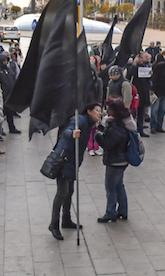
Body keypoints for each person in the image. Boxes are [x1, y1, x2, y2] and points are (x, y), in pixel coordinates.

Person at [49, 103, 102, 240]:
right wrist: (72, 134)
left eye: (100, 111)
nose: (99, 114)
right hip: (64, 159)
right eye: (97, 111)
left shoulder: (89, 123)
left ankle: (66, 219)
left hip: (72, 161)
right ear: (89, 111)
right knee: (62, 192)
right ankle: (54, 224)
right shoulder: (80, 120)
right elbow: (66, 132)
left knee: (70, 191)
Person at [96, 100, 135, 223]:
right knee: (119, 186)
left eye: (109, 110)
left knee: (110, 188)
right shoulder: (120, 125)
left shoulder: (116, 128)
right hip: (122, 160)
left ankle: (110, 213)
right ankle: (123, 211)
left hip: (115, 161)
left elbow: (107, 144)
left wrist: (98, 136)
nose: (107, 112)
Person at [126, 51, 151, 137]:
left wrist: (150, 74)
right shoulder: (133, 66)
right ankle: (131, 129)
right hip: (136, 92)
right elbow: (129, 75)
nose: (146, 59)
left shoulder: (146, 66)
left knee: (141, 112)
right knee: (133, 112)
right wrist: (134, 63)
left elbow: (148, 79)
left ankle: (140, 129)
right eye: (144, 57)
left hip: (144, 92)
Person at [0, 54, 20, 134]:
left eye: (6, 60)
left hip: (10, 95)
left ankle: (12, 128)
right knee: (1, 114)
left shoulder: (9, 70)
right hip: (2, 96)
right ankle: (0, 129)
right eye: (4, 61)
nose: (5, 62)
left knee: (10, 113)